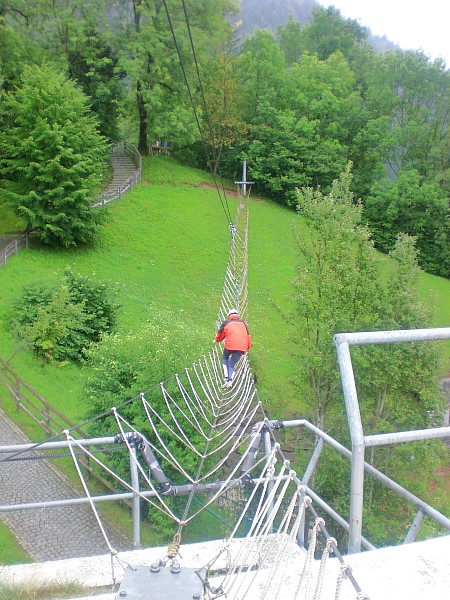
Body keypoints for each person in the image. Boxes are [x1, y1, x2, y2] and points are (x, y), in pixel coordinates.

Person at [214, 309, 252, 387]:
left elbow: (220, 335)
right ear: (237, 315)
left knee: (225, 358)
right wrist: (247, 348)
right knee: (231, 364)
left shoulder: (226, 323)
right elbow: (248, 336)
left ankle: (226, 377)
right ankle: (230, 381)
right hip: (241, 347)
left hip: (230, 345)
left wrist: (216, 340)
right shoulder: (243, 324)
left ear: (229, 315)